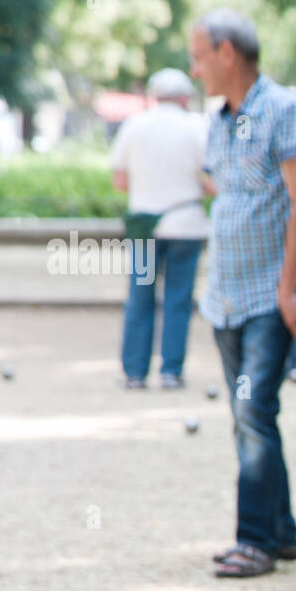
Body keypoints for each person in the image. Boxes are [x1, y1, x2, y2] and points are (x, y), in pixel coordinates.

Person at [187, 8, 296, 578]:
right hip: (224, 295)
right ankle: (282, 534)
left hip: (272, 296)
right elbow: (223, 187)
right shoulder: (219, 119)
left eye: (198, 57)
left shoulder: (287, 111)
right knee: (252, 417)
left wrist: (291, 289)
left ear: (226, 52)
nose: (194, 70)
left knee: (252, 411)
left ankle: (255, 542)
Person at [109, 67, 209, 390]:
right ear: (183, 97)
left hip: (145, 230)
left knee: (140, 297)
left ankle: (135, 373)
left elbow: (120, 181)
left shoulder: (134, 127)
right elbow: (211, 180)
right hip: (186, 226)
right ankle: (171, 371)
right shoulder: (197, 127)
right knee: (178, 299)